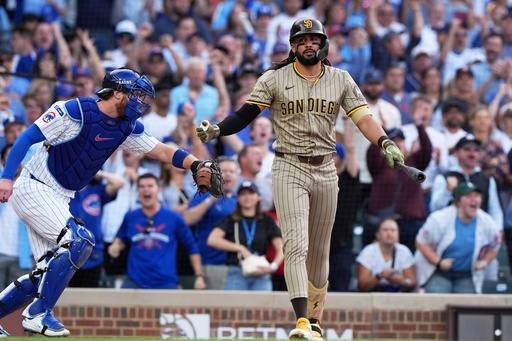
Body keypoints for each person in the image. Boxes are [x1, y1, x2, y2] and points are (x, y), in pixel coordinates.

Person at [196, 18, 405, 341]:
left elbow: (364, 119)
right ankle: (302, 321)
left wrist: (386, 142)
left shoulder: (341, 79)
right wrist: (217, 130)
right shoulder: (275, 78)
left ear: (323, 45)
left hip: (325, 168)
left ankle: (316, 322)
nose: (309, 44)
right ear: (293, 46)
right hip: (289, 166)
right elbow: (246, 115)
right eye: (302, 39)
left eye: (314, 39)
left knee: (320, 252)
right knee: (297, 245)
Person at [0, 67, 217, 337]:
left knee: (46, 273)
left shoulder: (126, 127)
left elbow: (161, 149)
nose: (142, 101)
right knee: (80, 240)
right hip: (34, 185)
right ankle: (38, 313)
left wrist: (194, 163)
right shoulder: (74, 110)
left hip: (60, 196)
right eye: (137, 94)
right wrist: (7, 177)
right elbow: (27, 137)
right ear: (117, 93)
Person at [108, 173, 205, 290]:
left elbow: (191, 247)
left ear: (159, 190)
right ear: (137, 191)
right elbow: (122, 239)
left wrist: (199, 276)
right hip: (135, 281)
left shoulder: (174, 218)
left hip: (165, 283)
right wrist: (116, 246)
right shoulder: (130, 217)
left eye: (150, 186)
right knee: (119, 305)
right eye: (142, 187)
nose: (146, 190)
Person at [415, 182, 502, 293]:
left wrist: (484, 262)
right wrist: (438, 262)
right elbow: (420, 242)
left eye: (477, 196)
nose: (474, 200)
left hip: (466, 275)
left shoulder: (487, 222)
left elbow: (495, 246)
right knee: (435, 303)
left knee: (466, 307)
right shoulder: (439, 218)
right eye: (469, 196)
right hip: (438, 272)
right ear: (458, 201)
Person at [207, 180, 284, 291]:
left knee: (262, 307)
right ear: (238, 198)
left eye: (251, 193)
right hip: (237, 272)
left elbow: (281, 248)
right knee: (235, 307)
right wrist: (240, 248)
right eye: (243, 194)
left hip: (261, 272)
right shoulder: (232, 219)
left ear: (258, 197)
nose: (247, 197)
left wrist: (272, 267)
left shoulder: (266, 220)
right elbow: (212, 239)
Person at [68, 170, 125, 288]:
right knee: (66, 299)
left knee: (90, 299)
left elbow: (119, 182)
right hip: (67, 253)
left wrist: (96, 171)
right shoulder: (62, 193)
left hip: (93, 254)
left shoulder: (96, 191)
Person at [356, 218, 416, 292]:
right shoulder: (368, 251)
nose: (389, 233)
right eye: (385, 230)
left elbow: (413, 282)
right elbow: (361, 285)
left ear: (398, 234)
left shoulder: (404, 251)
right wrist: (380, 276)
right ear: (377, 234)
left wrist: (402, 281)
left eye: (393, 230)